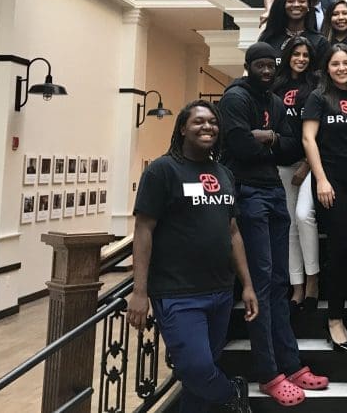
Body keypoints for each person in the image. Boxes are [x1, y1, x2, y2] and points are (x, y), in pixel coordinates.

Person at [128, 100, 255, 413]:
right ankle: (232, 392)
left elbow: (233, 232)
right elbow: (143, 230)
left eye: (213, 122)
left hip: (220, 290)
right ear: (182, 128)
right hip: (177, 292)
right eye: (198, 122)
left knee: (199, 378)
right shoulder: (162, 170)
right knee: (196, 369)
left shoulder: (223, 173)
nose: (208, 127)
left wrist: (247, 284)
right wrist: (139, 291)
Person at [219, 44, 329, 405]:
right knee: (262, 283)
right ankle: (268, 373)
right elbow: (238, 145)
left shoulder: (277, 102)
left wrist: (265, 138)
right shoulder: (235, 98)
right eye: (260, 65)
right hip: (247, 191)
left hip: (273, 191)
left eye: (271, 65)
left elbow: (292, 148)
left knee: (280, 282)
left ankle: (291, 363)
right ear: (248, 66)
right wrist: (268, 141)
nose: (267, 71)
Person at [302, 44, 347, 350]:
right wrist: (321, 180)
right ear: (326, 68)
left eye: (346, 63)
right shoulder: (319, 98)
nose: (342, 68)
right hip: (332, 182)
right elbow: (308, 138)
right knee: (340, 246)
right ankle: (334, 319)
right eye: (335, 64)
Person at [273, 38, 320, 312]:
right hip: (281, 164)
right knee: (289, 223)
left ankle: (313, 279)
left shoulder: (315, 86)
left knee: (304, 216)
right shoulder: (276, 87)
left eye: (305, 55)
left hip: (308, 164)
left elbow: (318, 130)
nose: (300, 59)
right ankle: (297, 285)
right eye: (296, 54)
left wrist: (307, 165)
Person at [258, 0, 329, 65]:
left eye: (301, 1)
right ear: (283, 5)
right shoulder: (269, 39)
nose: (296, 5)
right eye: (290, 1)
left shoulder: (320, 42)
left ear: (308, 6)